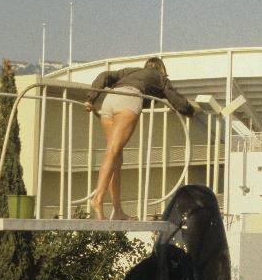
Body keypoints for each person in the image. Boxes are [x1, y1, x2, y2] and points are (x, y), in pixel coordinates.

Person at [84, 57, 195, 220]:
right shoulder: (160, 77)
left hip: (109, 101)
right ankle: (97, 199)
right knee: (113, 152)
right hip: (128, 102)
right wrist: (191, 111)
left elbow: (104, 75)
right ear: (161, 69)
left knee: (115, 156)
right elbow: (176, 99)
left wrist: (90, 98)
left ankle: (118, 211)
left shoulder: (130, 71)